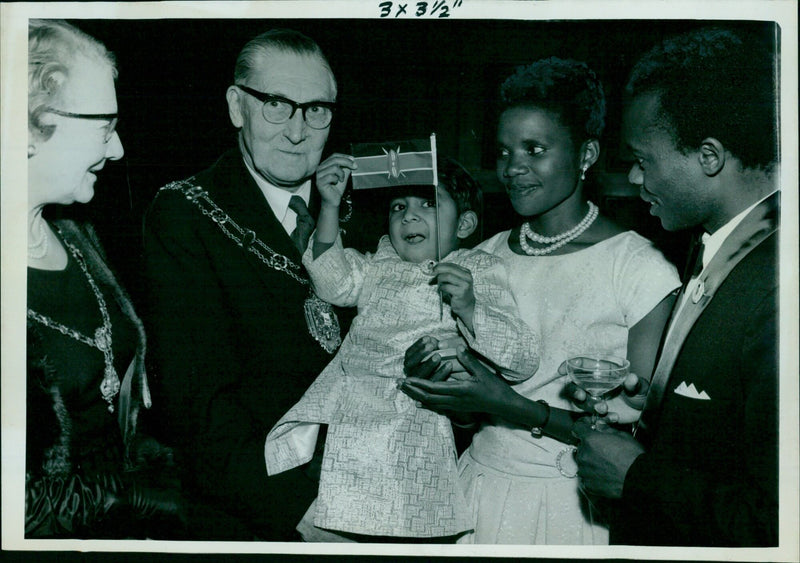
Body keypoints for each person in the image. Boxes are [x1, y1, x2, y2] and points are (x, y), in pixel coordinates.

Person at [398, 57, 681, 544]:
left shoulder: (638, 268)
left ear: (586, 153)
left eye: (534, 149)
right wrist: (443, 385)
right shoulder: (479, 259)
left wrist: (509, 405)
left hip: (572, 507)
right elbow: (471, 408)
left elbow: (640, 441)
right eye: (504, 152)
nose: (513, 168)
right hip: (477, 490)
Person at [572, 27, 779, 547]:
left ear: (708, 156)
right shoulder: (719, 244)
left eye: (644, 162)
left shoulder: (780, 286)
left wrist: (637, 478)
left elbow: (777, 522)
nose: (637, 181)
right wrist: (656, 411)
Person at [265, 157, 541, 541]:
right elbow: (335, 282)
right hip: (349, 413)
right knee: (330, 520)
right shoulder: (380, 261)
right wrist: (328, 205)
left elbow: (522, 360)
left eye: (428, 204)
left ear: (464, 224)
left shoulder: (478, 267)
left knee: (405, 524)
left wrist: (470, 306)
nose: (408, 217)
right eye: (399, 208)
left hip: (416, 416)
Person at [143, 28, 345, 540]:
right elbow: (198, 404)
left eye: (316, 110)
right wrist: (301, 512)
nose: (298, 132)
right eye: (276, 104)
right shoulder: (186, 215)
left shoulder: (360, 210)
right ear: (237, 106)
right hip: (262, 515)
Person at [25, 19, 181, 538]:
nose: (116, 151)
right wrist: (144, 500)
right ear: (30, 125)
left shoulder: (75, 233)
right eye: (103, 127)